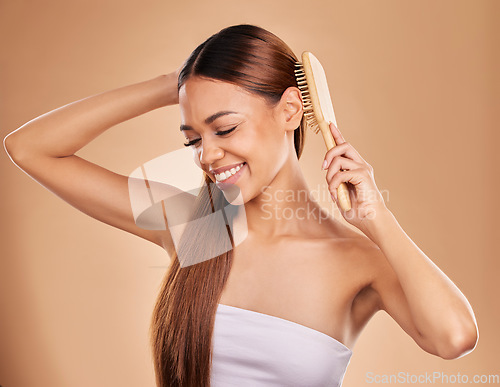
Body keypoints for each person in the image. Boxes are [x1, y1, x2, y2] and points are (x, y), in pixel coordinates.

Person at [3, 24, 478, 387]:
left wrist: (378, 219)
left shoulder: (360, 262)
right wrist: (176, 85)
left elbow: (454, 338)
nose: (207, 155)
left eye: (225, 129)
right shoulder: (196, 227)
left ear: (291, 111)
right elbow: (30, 148)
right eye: (193, 138)